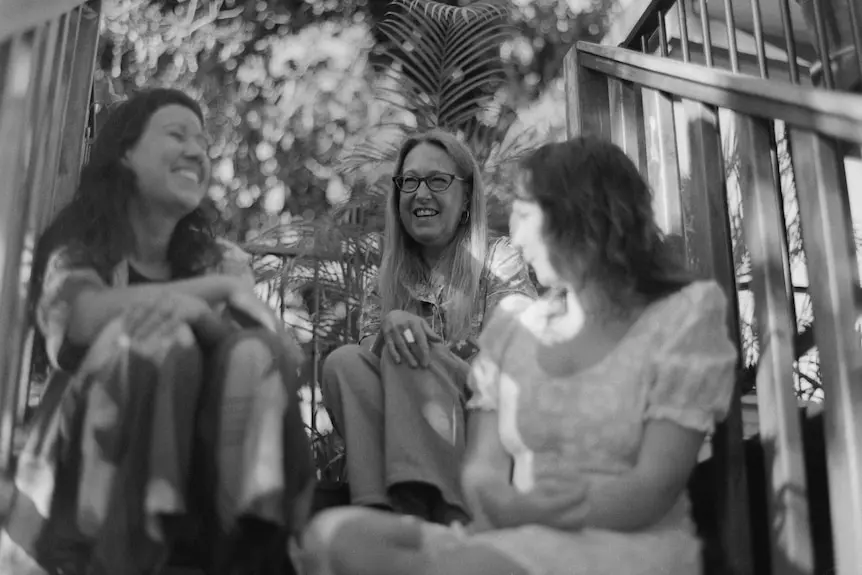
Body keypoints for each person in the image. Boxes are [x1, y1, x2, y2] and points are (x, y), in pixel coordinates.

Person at [299, 136, 739, 575]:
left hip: (607, 540)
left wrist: (527, 513)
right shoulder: (522, 328)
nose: (516, 233)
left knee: (410, 353)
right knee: (330, 533)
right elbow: (484, 470)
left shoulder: (682, 314)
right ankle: (388, 508)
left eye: (526, 215)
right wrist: (507, 507)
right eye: (409, 183)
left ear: (582, 213)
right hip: (508, 522)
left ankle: (437, 528)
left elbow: (654, 484)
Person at [0, 88, 315, 575]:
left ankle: (251, 548)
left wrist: (202, 315)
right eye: (176, 134)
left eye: (204, 144)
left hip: (207, 478)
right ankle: (133, 548)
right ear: (125, 153)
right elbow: (75, 323)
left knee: (252, 351)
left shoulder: (220, 259)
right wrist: (200, 298)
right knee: (158, 336)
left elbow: (283, 359)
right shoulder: (83, 244)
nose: (196, 151)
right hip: (99, 477)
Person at [320, 129, 536, 525]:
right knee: (344, 363)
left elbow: (510, 366)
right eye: (410, 181)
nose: (421, 193)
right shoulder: (387, 278)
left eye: (437, 180)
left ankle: (421, 509)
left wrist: (422, 345)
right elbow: (369, 362)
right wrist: (392, 327)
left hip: (482, 432)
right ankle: (375, 513)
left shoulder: (498, 259)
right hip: (400, 430)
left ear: (467, 196)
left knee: (409, 347)